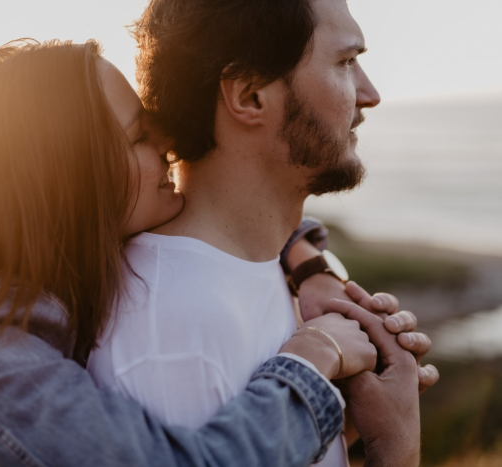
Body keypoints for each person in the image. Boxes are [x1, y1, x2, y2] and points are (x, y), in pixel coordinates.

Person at [0, 39, 426, 467]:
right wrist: (314, 358)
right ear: (65, 179)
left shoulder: (60, 260)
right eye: (139, 138)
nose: (168, 144)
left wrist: (309, 269)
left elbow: (258, 219)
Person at [87, 0, 438, 466]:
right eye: (346, 62)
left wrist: (350, 421)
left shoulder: (268, 267)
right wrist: (396, 445)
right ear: (250, 95)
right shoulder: (171, 332)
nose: (369, 93)